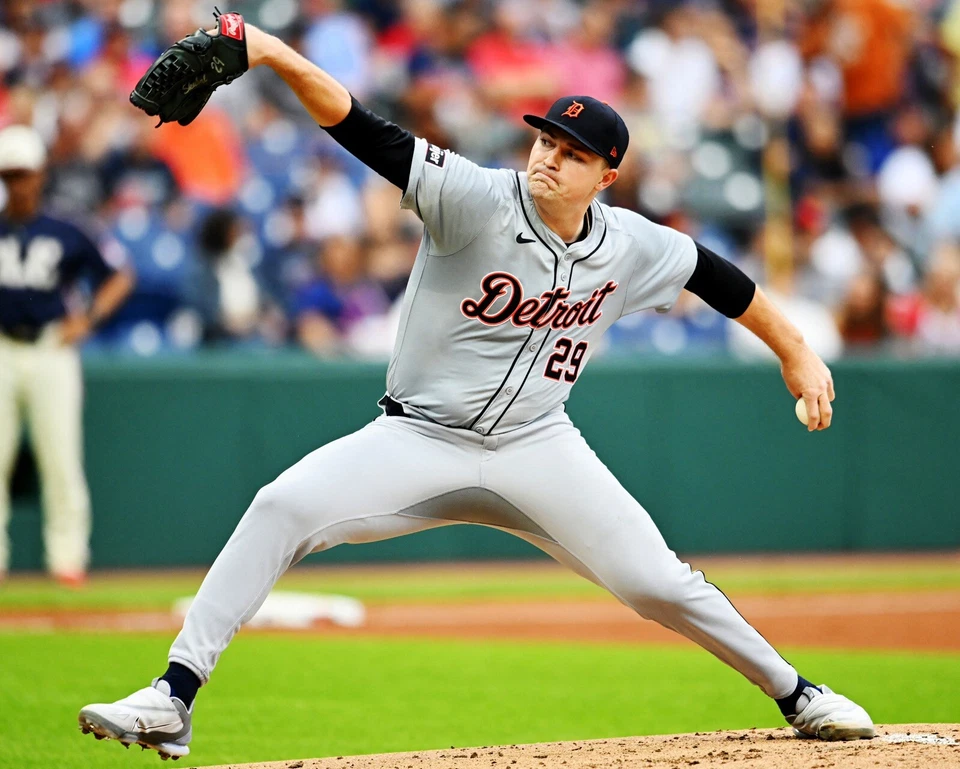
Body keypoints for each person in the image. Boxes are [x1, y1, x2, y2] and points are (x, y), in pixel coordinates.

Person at [78, 18, 874, 761]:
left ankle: (797, 691)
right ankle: (173, 695)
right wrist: (275, 54)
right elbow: (363, 129)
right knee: (280, 505)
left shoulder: (631, 243)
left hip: (539, 444)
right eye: (545, 138)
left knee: (657, 581)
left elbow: (718, 276)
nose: (548, 156)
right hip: (417, 437)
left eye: (571, 150)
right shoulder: (474, 199)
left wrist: (795, 349)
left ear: (606, 173)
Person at [0, 124, 135, 586]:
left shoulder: (66, 229)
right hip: (3, 348)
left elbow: (119, 275)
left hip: (50, 345)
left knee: (61, 458)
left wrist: (88, 317)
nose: (18, 183)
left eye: (24, 173)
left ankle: (67, 559)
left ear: (40, 174)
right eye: (10, 174)